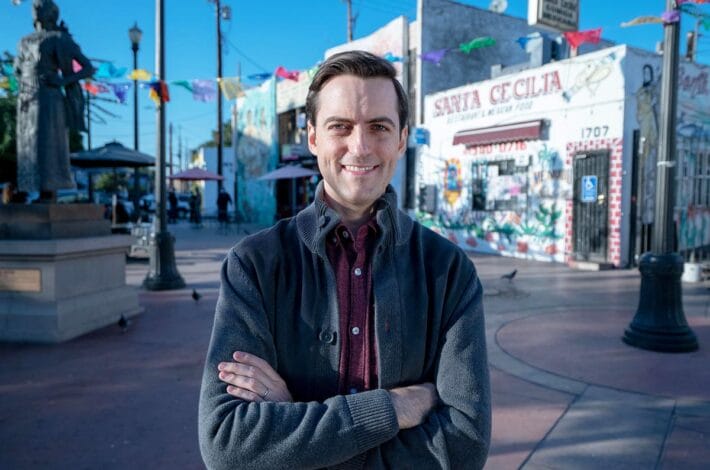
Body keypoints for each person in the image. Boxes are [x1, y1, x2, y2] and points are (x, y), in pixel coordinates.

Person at [198, 50, 490, 469]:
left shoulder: (448, 271)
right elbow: (228, 445)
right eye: (341, 127)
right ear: (313, 137)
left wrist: (293, 422)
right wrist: (390, 409)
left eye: (379, 127)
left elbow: (464, 447)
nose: (361, 146)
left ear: (402, 139)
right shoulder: (255, 265)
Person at [14, 0, 94, 201]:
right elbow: (18, 68)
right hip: (26, 97)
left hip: (48, 97)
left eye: (40, 7)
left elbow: (87, 67)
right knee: (27, 145)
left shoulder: (59, 38)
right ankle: (31, 188)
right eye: (34, 7)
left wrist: (63, 80)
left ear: (51, 12)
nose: (35, 10)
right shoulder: (24, 41)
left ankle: (49, 191)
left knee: (46, 144)